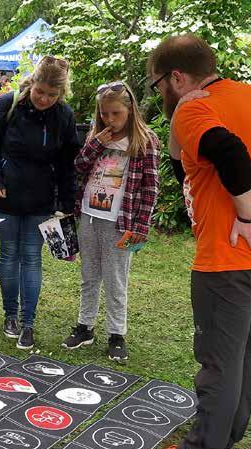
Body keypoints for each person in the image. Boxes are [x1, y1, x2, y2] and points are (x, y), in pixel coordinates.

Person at [138, 35, 251, 449]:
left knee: (219, 357)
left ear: (176, 77)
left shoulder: (196, 110)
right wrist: (180, 117)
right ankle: (225, 436)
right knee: (245, 346)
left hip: (235, 254)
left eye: (159, 85)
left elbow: (229, 152)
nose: (159, 94)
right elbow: (186, 167)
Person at [0, 56, 81, 350]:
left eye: (52, 95)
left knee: (32, 256)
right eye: (41, 92)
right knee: (8, 254)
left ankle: (29, 321)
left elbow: (67, 162)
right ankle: (10, 315)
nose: (44, 99)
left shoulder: (63, 115)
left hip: (41, 198)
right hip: (7, 194)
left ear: (61, 94)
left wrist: (67, 202)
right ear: (32, 83)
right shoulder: (7, 104)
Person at [60, 81, 159, 363]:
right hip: (90, 216)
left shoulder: (145, 141)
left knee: (116, 279)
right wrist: (96, 144)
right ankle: (85, 326)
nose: (110, 119)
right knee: (89, 275)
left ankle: (117, 333)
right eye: (105, 113)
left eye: (116, 113)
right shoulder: (98, 138)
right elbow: (78, 167)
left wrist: (140, 225)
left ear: (130, 110)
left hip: (120, 220)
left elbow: (150, 188)